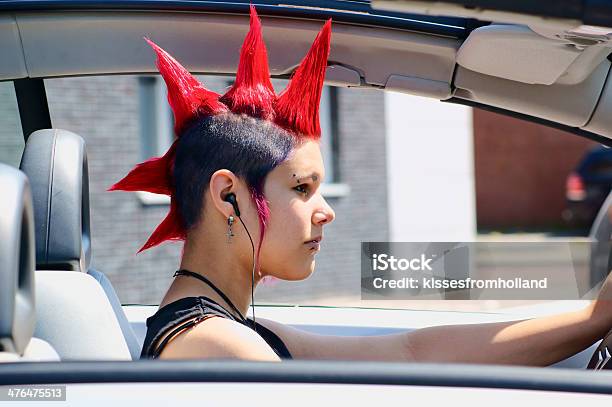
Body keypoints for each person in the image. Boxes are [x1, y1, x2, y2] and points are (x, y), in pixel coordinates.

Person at [110, 6, 612, 364]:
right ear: (227, 196)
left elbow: (412, 353)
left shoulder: (233, 330)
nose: (326, 210)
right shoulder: (218, 346)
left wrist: (594, 317)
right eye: (302, 188)